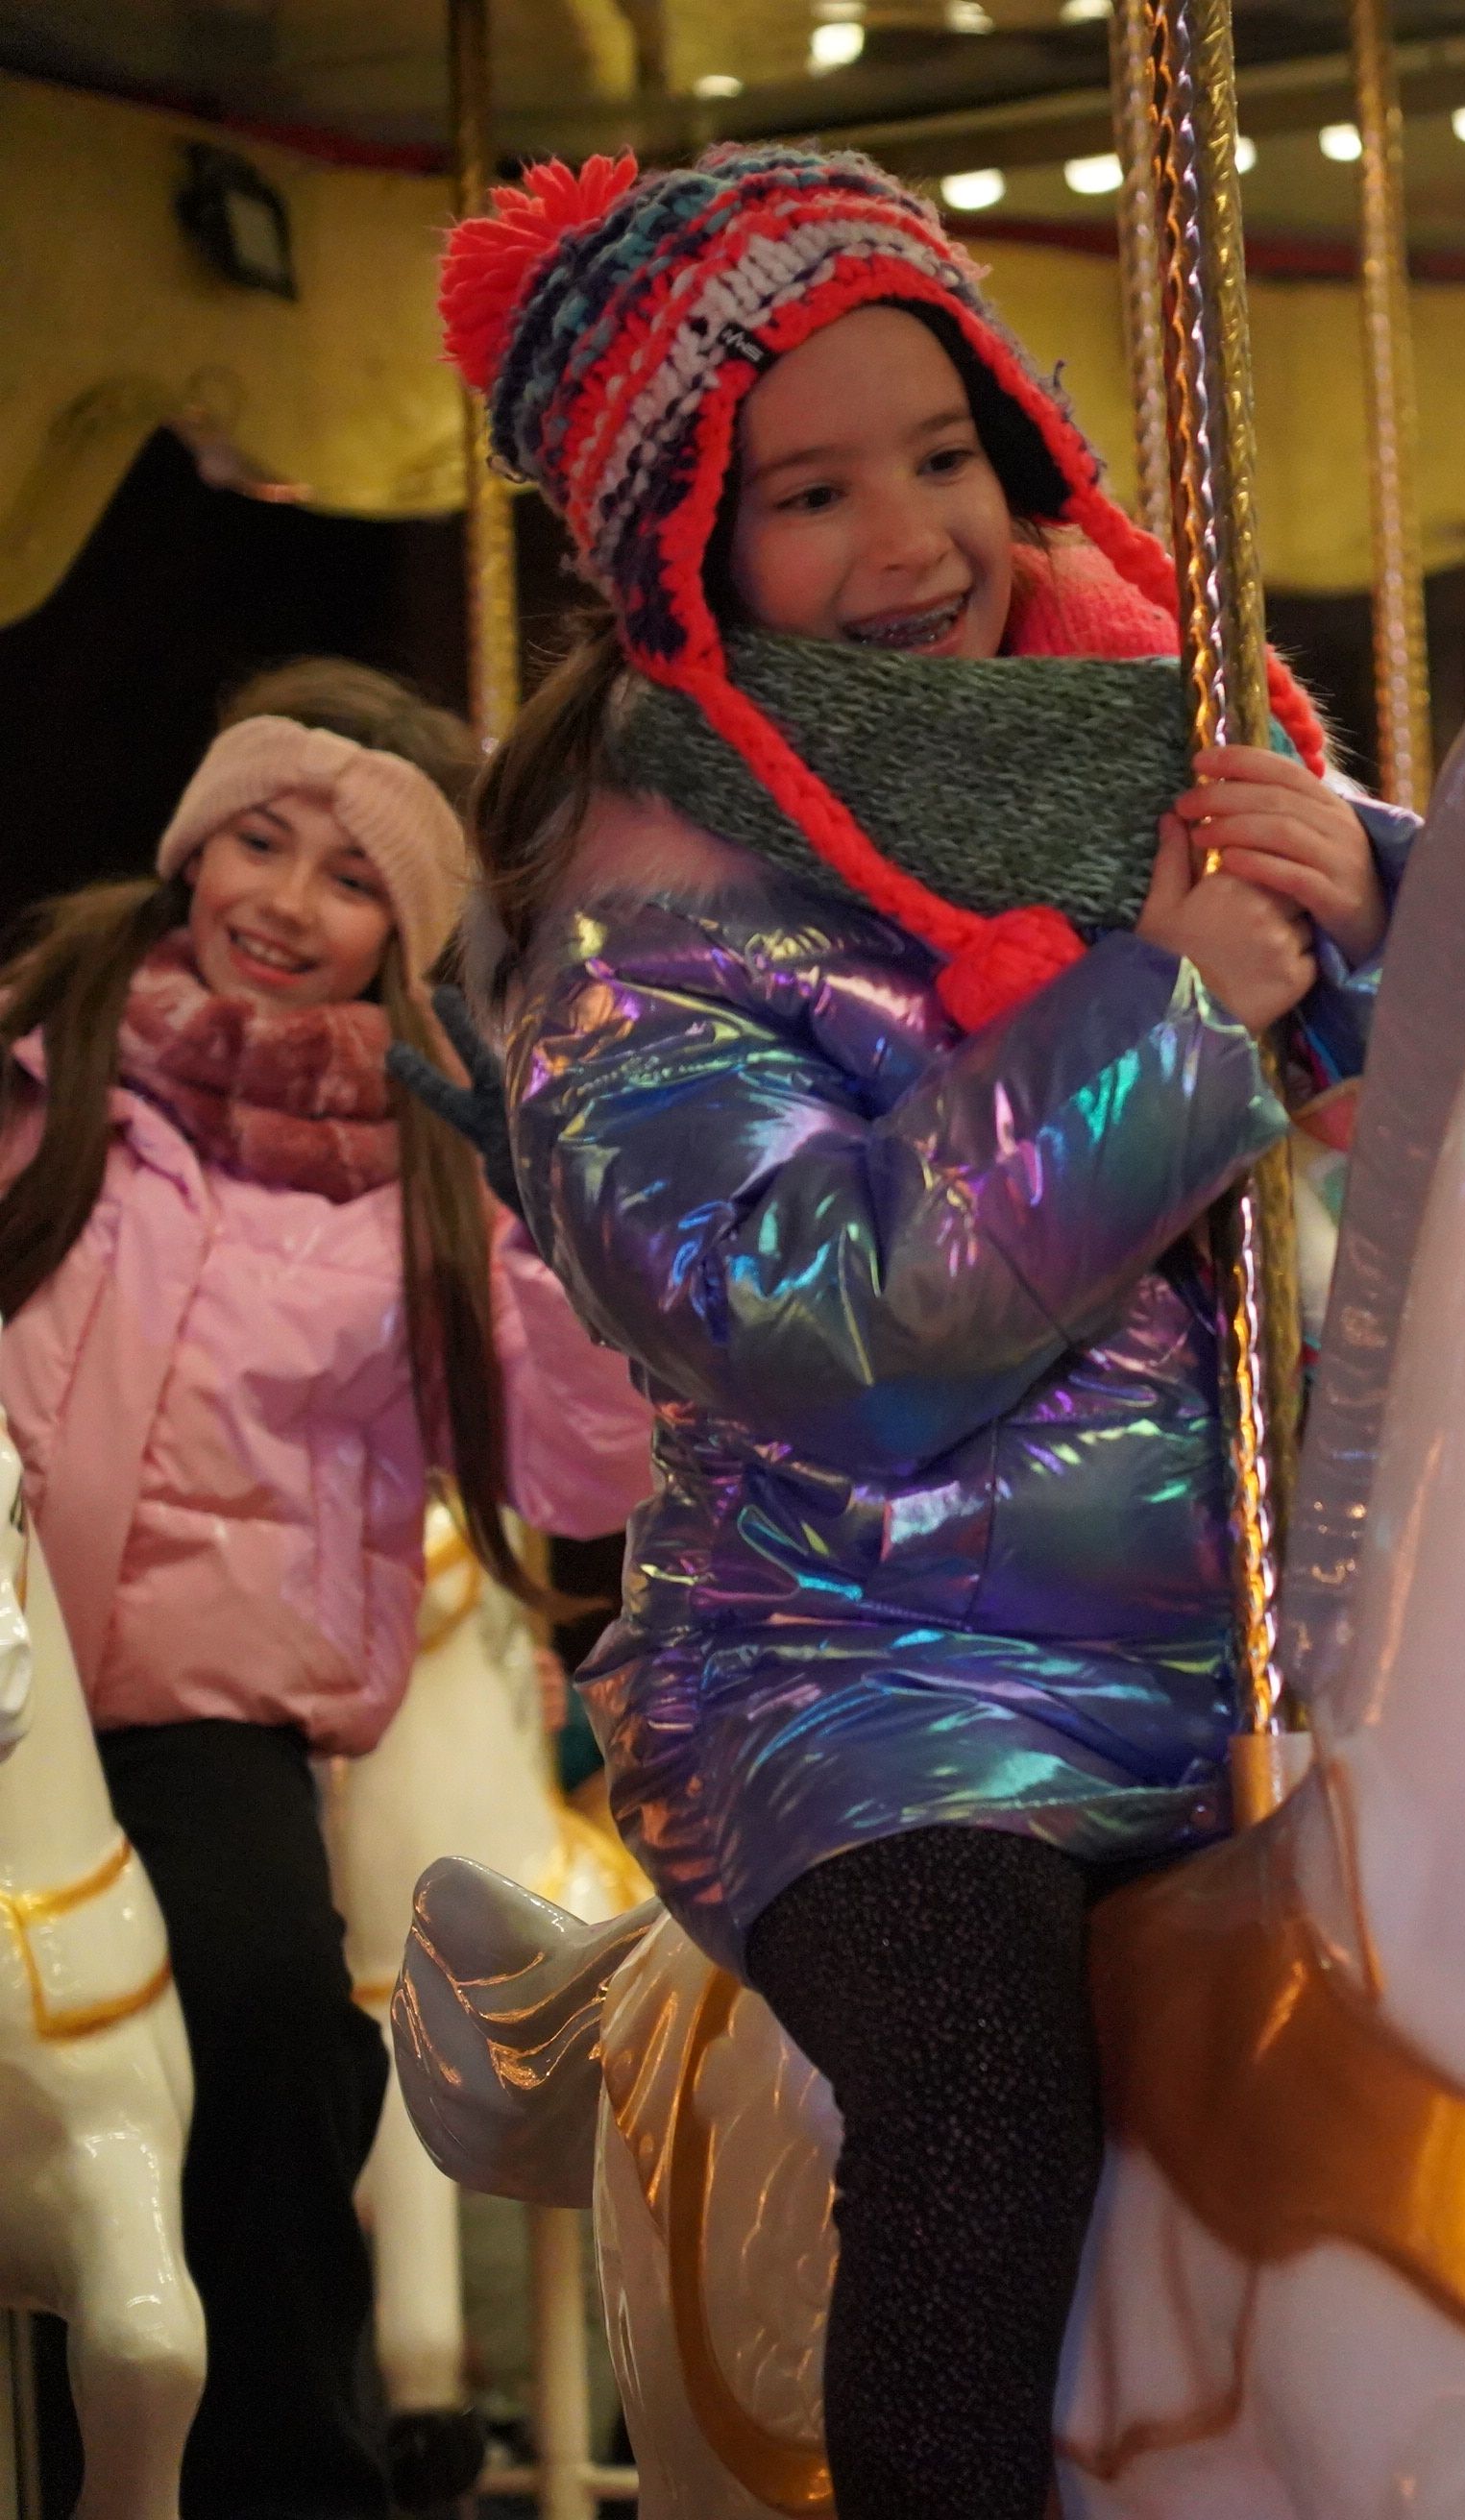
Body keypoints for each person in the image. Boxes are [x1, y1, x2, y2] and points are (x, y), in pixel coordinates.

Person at [432, 146, 1410, 2519]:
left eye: (951, 455)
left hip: (1256, 1661)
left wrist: (1377, 908)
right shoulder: (649, 935)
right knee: (980, 2093)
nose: (913, 543)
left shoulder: (1164, 756)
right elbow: (825, 1317)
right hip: (867, 1685)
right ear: (685, 558)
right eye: (812, 493)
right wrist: (1176, 1010)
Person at [0, 660, 657, 2515]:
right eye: (256, 845)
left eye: (351, 878)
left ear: (412, 929)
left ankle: (292, 2471)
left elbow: (580, 1467)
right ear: (191, 848)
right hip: (2, 1680)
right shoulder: (45, 1057)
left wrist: (557, 1214)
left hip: (213, 1717)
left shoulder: (431, 1175)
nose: (285, 906)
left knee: (273, 2030)